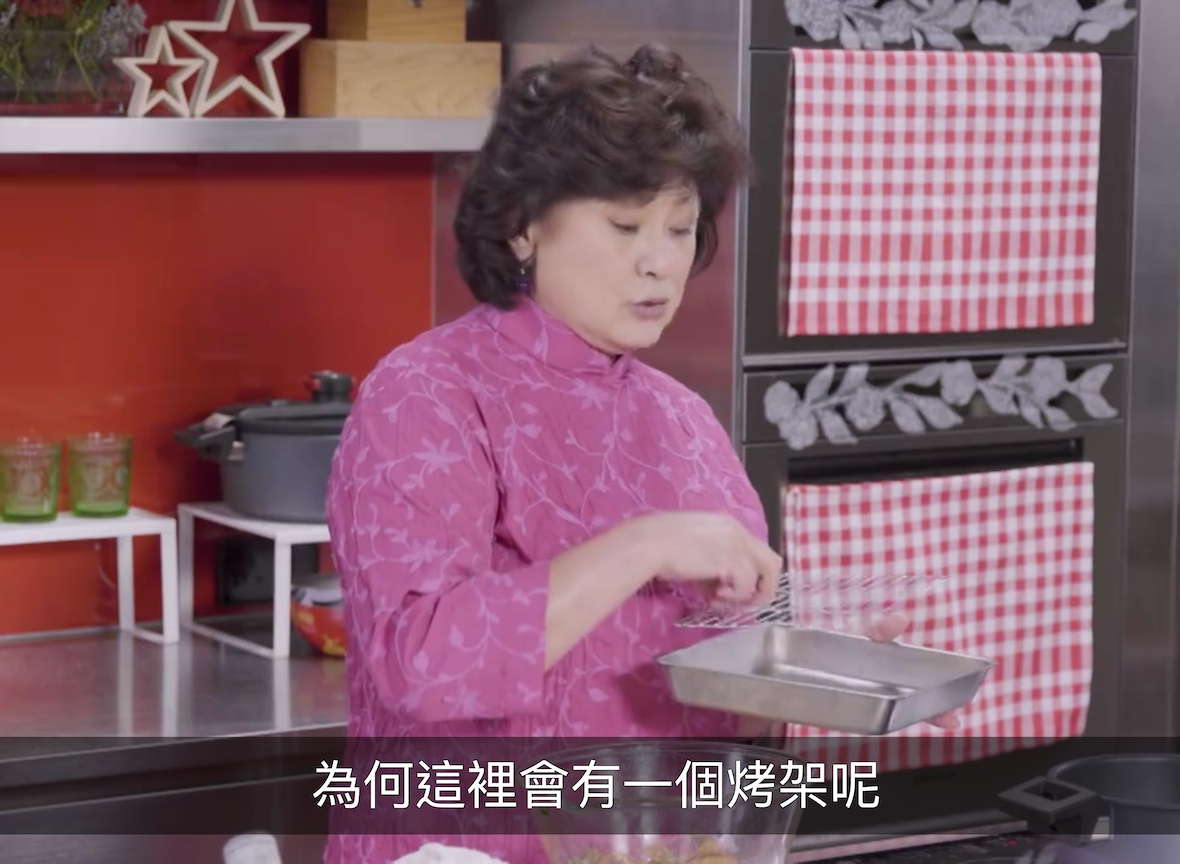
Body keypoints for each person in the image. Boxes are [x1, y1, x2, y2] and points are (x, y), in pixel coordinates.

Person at [324, 42, 958, 864]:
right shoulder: (425, 395)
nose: (659, 262)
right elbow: (420, 663)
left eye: (680, 229)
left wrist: (819, 671)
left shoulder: (685, 421)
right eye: (625, 226)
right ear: (522, 226)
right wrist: (645, 544)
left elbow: (704, 704)